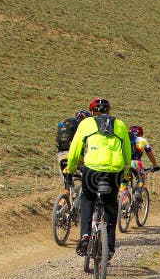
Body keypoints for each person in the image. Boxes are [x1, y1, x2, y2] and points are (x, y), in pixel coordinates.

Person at [67, 97, 131, 260]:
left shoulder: (86, 123)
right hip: (114, 170)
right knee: (110, 204)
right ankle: (109, 247)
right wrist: (124, 172)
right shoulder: (120, 125)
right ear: (108, 111)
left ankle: (86, 236)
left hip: (92, 169)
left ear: (92, 112)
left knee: (87, 198)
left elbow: (75, 149)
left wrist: (71, 167)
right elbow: (127, 152)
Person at [56, 109, 91, 196]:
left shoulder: (63, 125)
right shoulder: (84, 129)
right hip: (76, 157)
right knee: (87, 181)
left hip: (61, 156)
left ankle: (61, 207)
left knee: (67, 186)